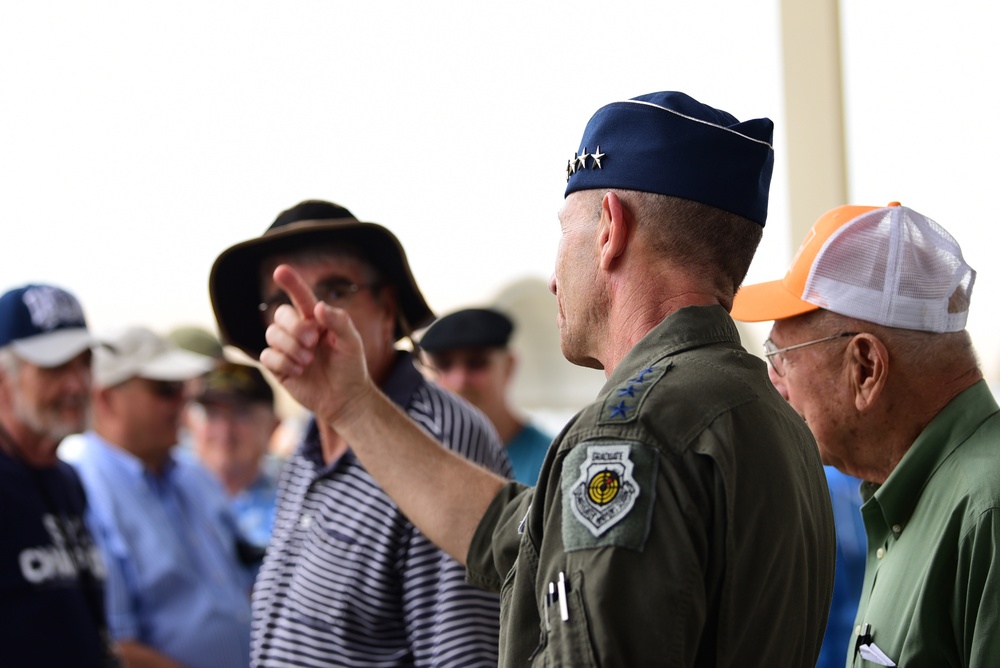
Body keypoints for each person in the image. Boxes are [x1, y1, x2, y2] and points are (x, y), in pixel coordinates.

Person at [257, 91, 837, 666]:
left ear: (610, 229)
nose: (555, 278)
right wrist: (354, 405)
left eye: (565, 230)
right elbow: (509, 537)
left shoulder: (631, 432)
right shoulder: (763, 410)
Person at [209, 199, 512, 667]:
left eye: (335, 291)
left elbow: (465, 657)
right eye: (282, 301)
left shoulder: (440, 433)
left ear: (387, 307)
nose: (309, 318)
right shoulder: (310, 437)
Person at [731, 202, 1000, 667]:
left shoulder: (986, 512)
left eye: (781, 357)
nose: (774, 381)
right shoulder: (922, 495)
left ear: (866, 367)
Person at [72, 325, 253, 668]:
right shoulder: (85, 490)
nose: (182, 401)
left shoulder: (192, 474)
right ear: (106, 398)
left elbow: (245, 583)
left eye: (182, 389)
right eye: (165, 390)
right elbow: (116, 646)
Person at [0, 283, 117, 667]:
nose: (79, 384)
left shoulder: (66, 478)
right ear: (4, 378)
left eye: (85, 362)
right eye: (55, 367)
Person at [419, 307, 552, 484]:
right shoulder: (422, 454)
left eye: (476, 363)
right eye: (445, 365)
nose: (460, 381)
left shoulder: (549, 464)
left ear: (508, 366)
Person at [187, 360, 281, 551]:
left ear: (273, 426)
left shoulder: (290, 512)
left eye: (241, 414)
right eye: (211, 414)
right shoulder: (168, 499)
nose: (224, 431)